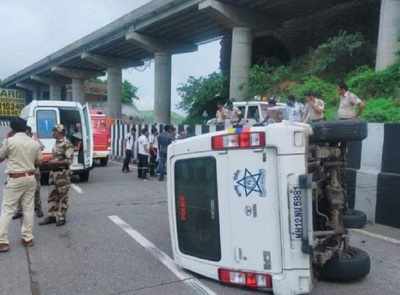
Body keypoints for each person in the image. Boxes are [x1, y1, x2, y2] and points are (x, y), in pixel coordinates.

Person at [0, 118, 42, 253]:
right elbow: (38, 161)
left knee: (8, 210)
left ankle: (2, 242)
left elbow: (0, 157)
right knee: (28, 209)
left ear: (12, 128)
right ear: (25, 128)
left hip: (15, 179)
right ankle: (27, 238)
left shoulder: (9, 141)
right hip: (30, 178)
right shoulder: (34, 143)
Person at [39, 124, 74, 227]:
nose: (52, 133)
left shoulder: (67, 144)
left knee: (62, 196)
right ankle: (52, 216)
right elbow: (57, 157)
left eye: (54, 131)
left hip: (62, 174)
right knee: (52, 196)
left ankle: (62, 217)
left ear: (60, 132)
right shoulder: (56, 143)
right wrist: (49, 161)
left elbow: (69, 161)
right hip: (53, 173)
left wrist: (54, 163)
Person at [13, 127, 44, 219]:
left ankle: (38, 209)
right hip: (21, 170)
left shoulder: (34, 141)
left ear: (29, 133)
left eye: (26, 133)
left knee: (36, 190)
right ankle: (20, 211)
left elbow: (41, 148)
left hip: (33, 169)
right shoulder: (19, 142)